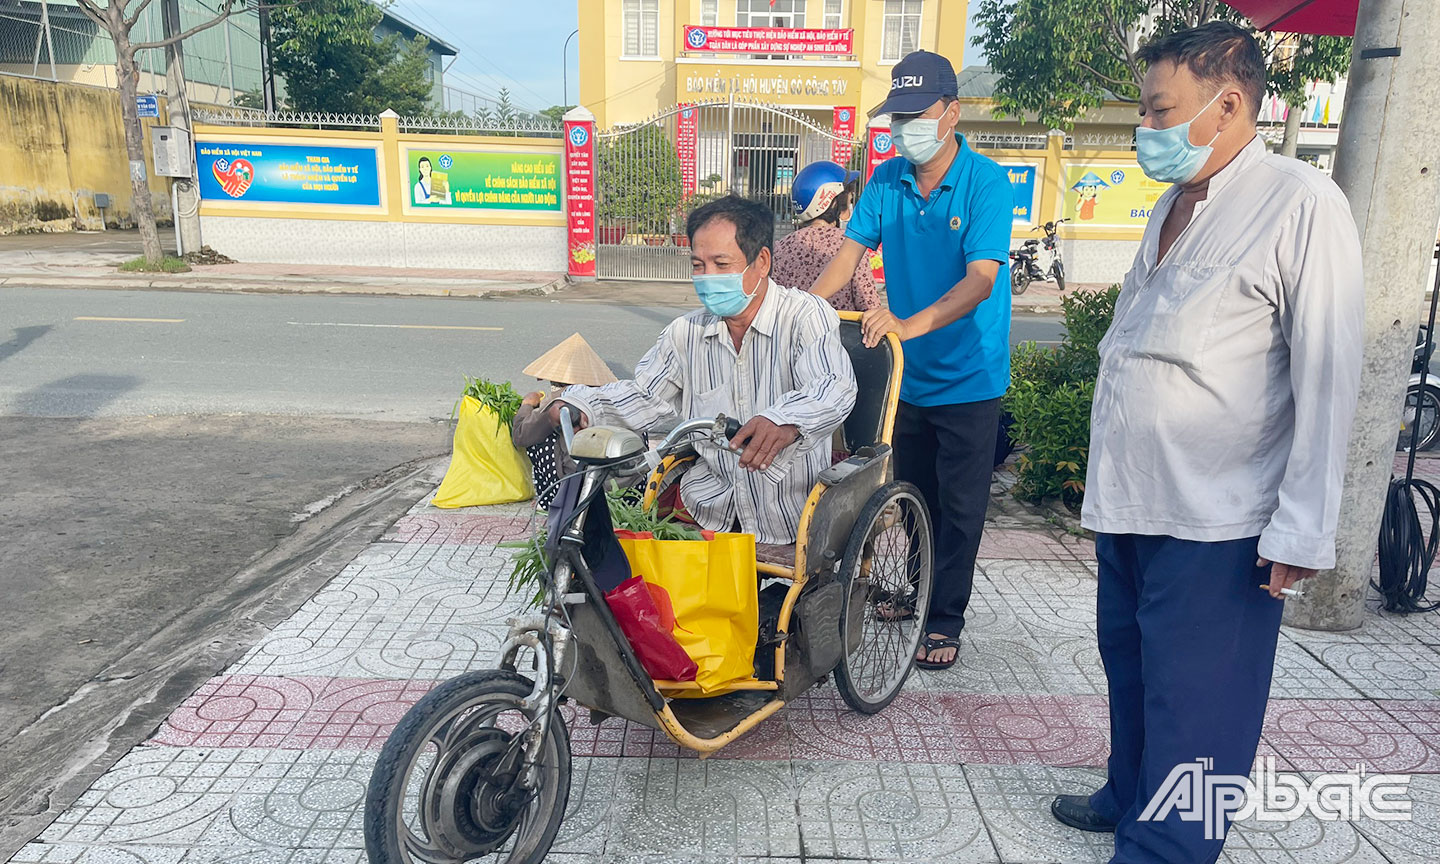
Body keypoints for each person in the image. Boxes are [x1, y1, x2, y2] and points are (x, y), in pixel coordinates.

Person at [1050, 23, 1363, 863]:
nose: (1146, 129)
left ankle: (1172, 845)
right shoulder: (1174, 198)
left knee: (1203, 695)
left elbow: (1329, 372)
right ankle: (1130, 791)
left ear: (1229, 104)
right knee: (1134, 665)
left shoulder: (1301, 203)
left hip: (1222, 511)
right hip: (1134, 494)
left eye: (1161, 111)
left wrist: (1303, 525)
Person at [809, 49, 1014, 670]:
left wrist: (905, 323)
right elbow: (845, 261)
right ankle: (917, 590)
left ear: (951, 112)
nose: (903, 130)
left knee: (961, 507)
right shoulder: (886, 182)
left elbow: (980, 279)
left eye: (915, 115)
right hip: (909, 380)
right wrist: (794, 317)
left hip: (971, 378)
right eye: (896, 117)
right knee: (913, 496)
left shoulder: (986, 183)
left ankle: (944, 618)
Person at [543, 195, 858, 545]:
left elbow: (834, 386)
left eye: (721, 264)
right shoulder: (685, 333)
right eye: (698, 265)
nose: (708, 278)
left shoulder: (805, 317)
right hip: (709, 506)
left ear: (762, 261)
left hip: (790, 515)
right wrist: (580, 404)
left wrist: (784, 420)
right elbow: (646, 395)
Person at [511, 333, 618, 509]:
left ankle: (549, 500)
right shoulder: (616, 395)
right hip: (626, 485)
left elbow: (521, 435)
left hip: (582, 487)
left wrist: (527, 404)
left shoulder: (560, 402)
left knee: (538, 437)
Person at [772, 160, 881, 313]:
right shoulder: (851, 246)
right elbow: (869, 305)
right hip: (840, 335)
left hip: (791, 333)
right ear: (834, 203)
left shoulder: (780, 247)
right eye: (848, 199)